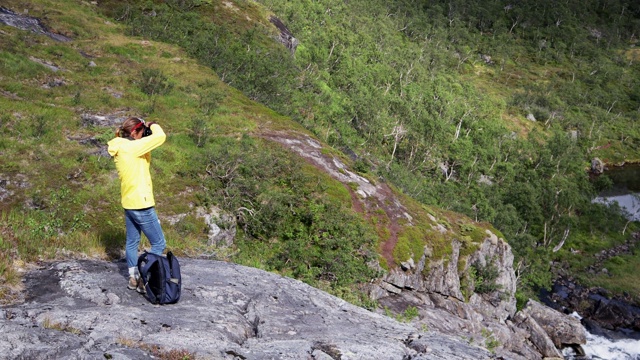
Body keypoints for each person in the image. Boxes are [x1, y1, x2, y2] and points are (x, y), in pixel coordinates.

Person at [107, 117, 167, 292]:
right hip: (142, 204)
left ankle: (133, 277)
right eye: (141, 132)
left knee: (132, 241)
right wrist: (153, 124)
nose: (143, 136)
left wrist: (145, 130)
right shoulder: (133, 147)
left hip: (129, 202)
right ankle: (144, 278)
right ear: (133, 133)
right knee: (159, 243)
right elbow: (160, 136)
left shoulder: (121, 146)